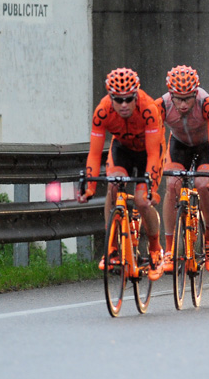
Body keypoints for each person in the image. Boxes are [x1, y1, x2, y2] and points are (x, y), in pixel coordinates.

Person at [78, 68, 166, 281]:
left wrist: (151, 189)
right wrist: (89, 188)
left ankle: (155, 248)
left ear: (136, 95)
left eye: (129, 99)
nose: (124, 104)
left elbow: (154, 154)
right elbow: (94, 153)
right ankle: (112, 248)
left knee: (142, 201)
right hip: (123, 149)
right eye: (119, 100)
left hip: (149, 152)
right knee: (113, 185)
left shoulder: (148, 109)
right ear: (111, 98)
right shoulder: (102, 112)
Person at [156, 65, 209, 273]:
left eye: (188, 98)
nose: (184, 104)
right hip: (179, 145)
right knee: (172, 185)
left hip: (204, 145)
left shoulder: (207, 103)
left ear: (196, 93)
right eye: (178, 98)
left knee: (203, 184)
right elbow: (155, 142)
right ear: (171, 94)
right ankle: (169, 249)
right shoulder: (160, 105)